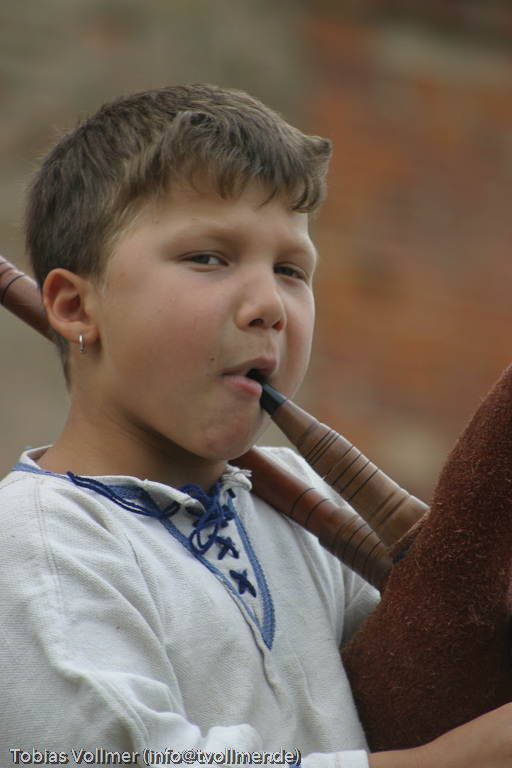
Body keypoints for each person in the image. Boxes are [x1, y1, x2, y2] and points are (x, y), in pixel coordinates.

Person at [1, 84, 511, 768]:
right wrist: (456, 760)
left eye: (291, 270)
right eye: (208, 258)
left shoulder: (308, 500)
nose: (269, 304)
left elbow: (423, 677)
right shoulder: (36, 545)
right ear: (73, 306)